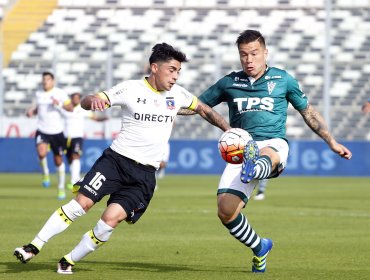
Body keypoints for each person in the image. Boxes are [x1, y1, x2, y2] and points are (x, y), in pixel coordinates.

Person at [14, 43, 231, 274]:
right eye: (172, 70)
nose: (176, 76)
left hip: (145, 175)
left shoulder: (178, 95)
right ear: (154, 68)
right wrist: (93, 101)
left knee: (110, 221)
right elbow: (89, 100)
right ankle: (34, 246)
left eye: (179, 71)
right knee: (82, 204)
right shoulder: (130, 89)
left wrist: (228, 130)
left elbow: (204, 109)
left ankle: (68, 260)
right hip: (116, 162)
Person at [185, 30, 352, 273]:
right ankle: (260, 247)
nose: (249, 59)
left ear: (265, 53)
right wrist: (166, 105)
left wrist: (332, 141)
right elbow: (197, 105)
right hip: (241, 148)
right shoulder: (229, 82)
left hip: (273, 143)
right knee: (225, 212)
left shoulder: (283, 79)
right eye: (243, 55)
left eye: (254, 53)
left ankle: (257, 166)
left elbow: (309, 113)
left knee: (268, 153)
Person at [26, 72, 73, 200]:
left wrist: (60, 104)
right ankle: (45, 172)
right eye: (43, 79)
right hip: (42, 130)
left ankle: (61, 188)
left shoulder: (60, 93)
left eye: (47, 79)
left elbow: (70, 108)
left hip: (57, 132)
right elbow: (38, 109)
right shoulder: (39, 93)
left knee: (58, 160)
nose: (45, 82)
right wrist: (31, 112)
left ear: (53, 81)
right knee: (41, 153)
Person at [61, 92, 108, 190]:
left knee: (76, 156)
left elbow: (94, 118)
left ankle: (74, 181)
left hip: (77, 137)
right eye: (74, 98)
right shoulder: (65, 109)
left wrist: (104, 118)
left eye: (77, 98)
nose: (76, 100)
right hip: (65, 137)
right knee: (70, 159)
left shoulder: (82, 110)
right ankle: (76, 177)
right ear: (71, 99)